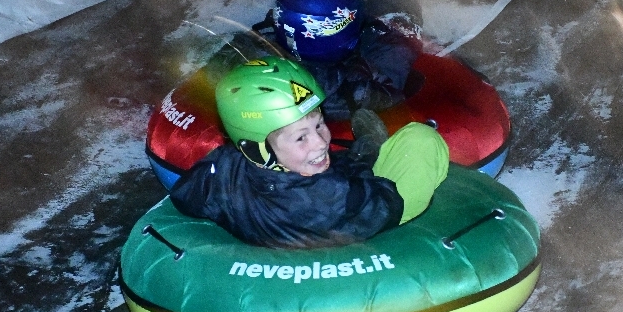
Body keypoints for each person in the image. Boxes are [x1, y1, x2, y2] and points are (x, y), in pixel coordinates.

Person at [169, 56, 449, 249]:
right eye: (301, 137)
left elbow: (185, 194)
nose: (320, 142)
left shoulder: (227, 164)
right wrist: (365, 156)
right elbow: (383, 203)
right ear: (258, 149)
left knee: (327, 163)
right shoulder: (324, 198)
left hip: (299, 202)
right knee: (421, 139)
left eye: (319, 124)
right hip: (353, 220)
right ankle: (369, 150)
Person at [256, 0, 432, 121]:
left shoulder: (256, 60)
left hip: (313, 62)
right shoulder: (357, 93)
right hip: (362, 71)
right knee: (397, 25)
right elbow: (395, 95)